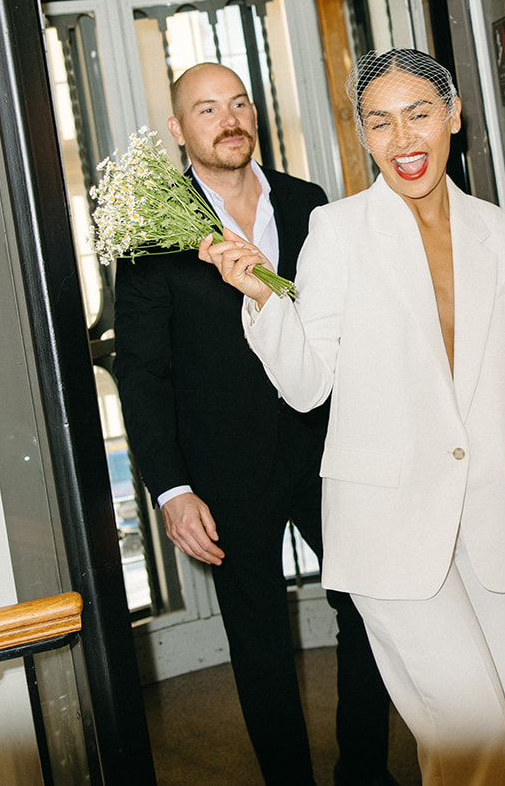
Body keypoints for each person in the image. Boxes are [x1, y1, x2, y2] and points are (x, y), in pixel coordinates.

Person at [202, 49, 505, 786]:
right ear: (364, 135)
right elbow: (306, 385)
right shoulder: (339, 230)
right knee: (477, 734)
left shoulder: (502, 235)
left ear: (453, 115)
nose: (403, 138)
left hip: (488, 526)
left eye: (419, 113)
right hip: (386, 530)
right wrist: (264, 301)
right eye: (381, 121)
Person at [111, 62, 396, 786]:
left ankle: (363, 769)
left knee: (370, 603)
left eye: (238, 103)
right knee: (261, 644)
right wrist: (172, 489)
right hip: (224, 471)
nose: (229, 118)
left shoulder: (309, 203)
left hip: (324, 446)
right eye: (207, 109)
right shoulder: (153, 230)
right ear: (179, 131)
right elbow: (142, 372)